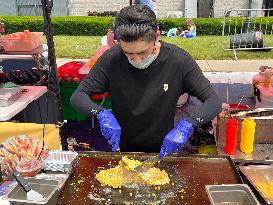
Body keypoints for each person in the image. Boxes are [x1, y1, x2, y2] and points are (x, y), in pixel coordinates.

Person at [70, 5, 221, 158]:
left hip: (165, 147)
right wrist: (101, 114)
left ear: (156, 36)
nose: (136, 59)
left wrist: (188, 124)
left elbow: (213, 101)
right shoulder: (112, 59)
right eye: (128, 53)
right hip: (124, 148)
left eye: (142, 52)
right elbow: (78, 96)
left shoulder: (178, 61)